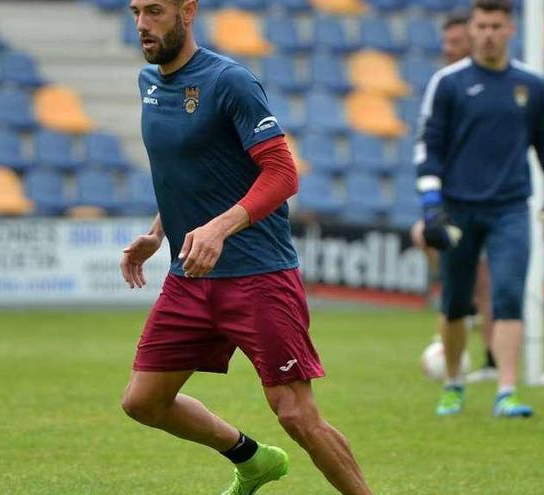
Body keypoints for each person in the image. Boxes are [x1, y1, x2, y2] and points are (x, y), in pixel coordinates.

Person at [119, 0, 373, 493]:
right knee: (143, 402)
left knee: (296, 413)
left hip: (258, 275)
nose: (143, 25)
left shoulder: (228, 80)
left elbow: (282, 172)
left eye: (155, 12)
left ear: (187, 11)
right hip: (190, 275)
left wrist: (220, 227)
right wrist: (157, 233)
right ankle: (251, 460)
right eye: (135, 12)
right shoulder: (148, 84)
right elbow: (188, 171)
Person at [414, 0, 544, 417]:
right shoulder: (447, 83)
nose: (486, 33)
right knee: (455, 303)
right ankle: (453, 384)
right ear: (472, 29)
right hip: (457, 209)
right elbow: (428, 145)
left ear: (509, 30)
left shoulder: (531, 85)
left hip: (510, 208)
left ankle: (506, 391)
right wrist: (431, 202)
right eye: (481, 25)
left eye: (495, 26)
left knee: (507, 296)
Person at [411, 11, 498, 382]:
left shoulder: (491, 85)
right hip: (451, 197)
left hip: (489, 198)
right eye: (445, 44)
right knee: (424, 236)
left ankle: (493, 357)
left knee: (485, 279)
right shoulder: (445, 86)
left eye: (456, 43)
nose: (448, 51)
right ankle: (459, 309)